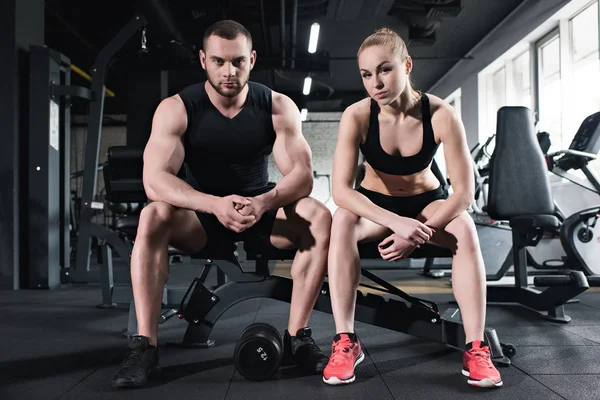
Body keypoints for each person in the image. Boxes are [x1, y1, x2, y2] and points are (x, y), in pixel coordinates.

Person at [111, 19, 331, 388]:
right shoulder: (177, 108)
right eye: (219, 61)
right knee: (152, 216)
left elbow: (302, 175)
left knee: (319, 216)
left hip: (260, 212)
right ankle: (144, 347)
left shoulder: (277, 106)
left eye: (238, 62)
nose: (229, 71)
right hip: (201, 219)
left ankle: (297, 337)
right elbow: (154, 180)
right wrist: (213, 204)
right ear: (203, 60)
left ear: (252, 59)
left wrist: (263, 202)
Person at [322, 28, 502, 389]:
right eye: (367, 75)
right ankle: (346, 342)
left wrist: (415, 235)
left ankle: (476, 347)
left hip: (426, 204)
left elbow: (464, 194)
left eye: (385, 70)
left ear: (406, 65)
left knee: (465, 228)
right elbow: (341, 191)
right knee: (340, 221)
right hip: (377, 207)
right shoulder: (356, 116)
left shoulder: (440, 114)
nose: (376, 82)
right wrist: (395, 224)